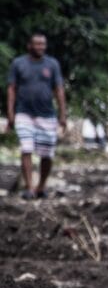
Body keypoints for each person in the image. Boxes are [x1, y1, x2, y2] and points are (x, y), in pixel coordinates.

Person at [6, 33, 67, 200]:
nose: (40, 47)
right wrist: (10, 113)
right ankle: (29, 187)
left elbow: (59, 89)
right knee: (26, 148)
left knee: (46, 154)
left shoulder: (52, 64)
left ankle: (41, 186)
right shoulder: (18, 64)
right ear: (29, 46)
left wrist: (63, 115)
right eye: (37, 44)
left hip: (46, 115)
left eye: (43, 44)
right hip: (24, 113)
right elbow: (11, 89)